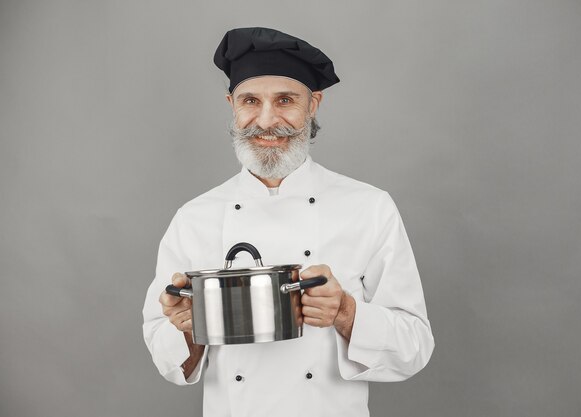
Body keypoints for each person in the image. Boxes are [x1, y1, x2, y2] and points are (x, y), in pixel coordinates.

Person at [142, 27, 434, 417]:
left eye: (285, 100)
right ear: (232, 104)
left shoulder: (369, 207)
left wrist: (346, 312)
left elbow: (415, 348)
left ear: (313, 104)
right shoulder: (194, 217)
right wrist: (187, 329)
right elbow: (168, 361)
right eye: (250, 100)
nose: (266, 120)